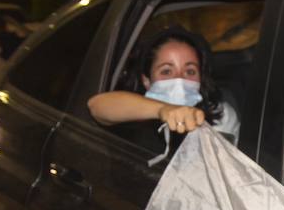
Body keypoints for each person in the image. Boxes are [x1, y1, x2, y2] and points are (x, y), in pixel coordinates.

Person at [88, 26, 240, 143]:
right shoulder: (132, 113)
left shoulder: (220, 115)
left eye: (190, 71)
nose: (180, 80)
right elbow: (97, 106)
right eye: (167, 71)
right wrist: (163, 110)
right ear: (147, 81)